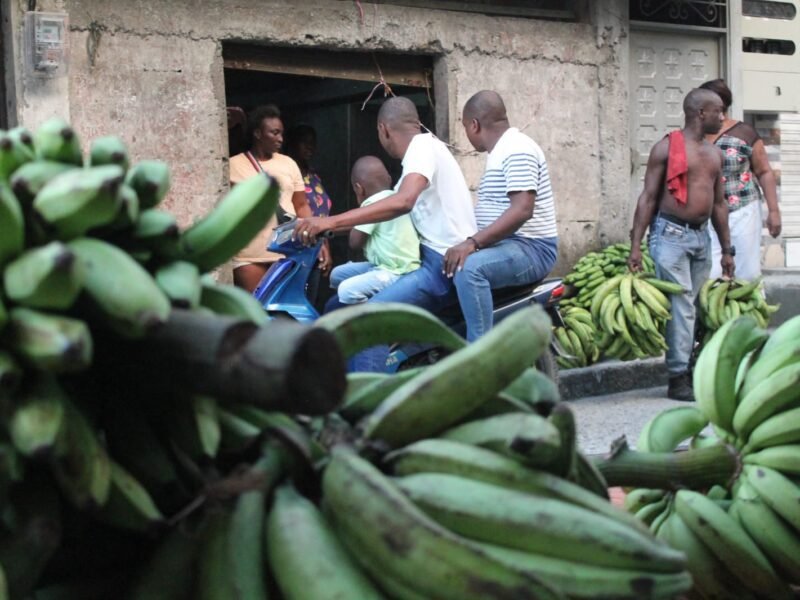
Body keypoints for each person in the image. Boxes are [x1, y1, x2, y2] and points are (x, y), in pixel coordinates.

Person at [293, 96, 477, 371]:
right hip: (425, 261)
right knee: (337, 299)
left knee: (371, 318)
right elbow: (380, 212)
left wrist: (330, 222)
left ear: (383, 129)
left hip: (440, 265)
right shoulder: (421, 156)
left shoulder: (422, 148)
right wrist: (322, 226)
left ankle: (366, 404)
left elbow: (403, 202)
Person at [628, 88, 735, 402]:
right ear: (701, 113)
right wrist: (636, 244)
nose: (723, 117)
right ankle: (678, 377)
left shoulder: (715, 154)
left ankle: (693, 367)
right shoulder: (666, 148)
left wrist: (727, 250)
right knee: (682, 306)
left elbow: (718, 205)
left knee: (695, 306)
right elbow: (647, 198)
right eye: (718, 111)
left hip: (701, 237)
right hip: (670, 236)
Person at [445, 90, 558, 341]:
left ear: (474, 125)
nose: (466, 133)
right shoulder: (501, 151)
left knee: (469, 269)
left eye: (465, 127)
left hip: (531, 248)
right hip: (511, 246)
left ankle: (480, 354)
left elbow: (522, 210)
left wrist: (472, 243)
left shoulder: (516, 149)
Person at [228, 105, 331, 292]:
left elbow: (301, 206)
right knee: (258, 310)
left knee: (283, 312)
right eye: (274, 133)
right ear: (258, 134)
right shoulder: (232, 165)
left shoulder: (288, 163)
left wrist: (318, 240)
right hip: (248, 255)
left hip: (286, 251)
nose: (280, 139)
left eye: (281, 133)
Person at [698, 78, 781, 280]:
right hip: (706, 215)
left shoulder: (744, 133)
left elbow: (764, 171)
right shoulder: (696, 134)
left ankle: (749, 311)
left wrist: (773, 211)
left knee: (746, 273)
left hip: (742, 211)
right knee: (711, 275)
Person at [329, 156, 421, 304]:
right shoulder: (393, 199)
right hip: (387, 265)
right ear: (389, 179)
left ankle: (369, 317)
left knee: (346, 290)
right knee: (337, 274)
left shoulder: (372, 205)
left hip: (396, 272)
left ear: (359, 189)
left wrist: (356, 218)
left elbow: (355, 242)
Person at [285, 124, 333, 217]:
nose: (309, 146)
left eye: (312, 142)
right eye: (304, 142)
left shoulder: (313, 176)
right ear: (293, 143)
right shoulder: (287, 175)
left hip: (323, 230)